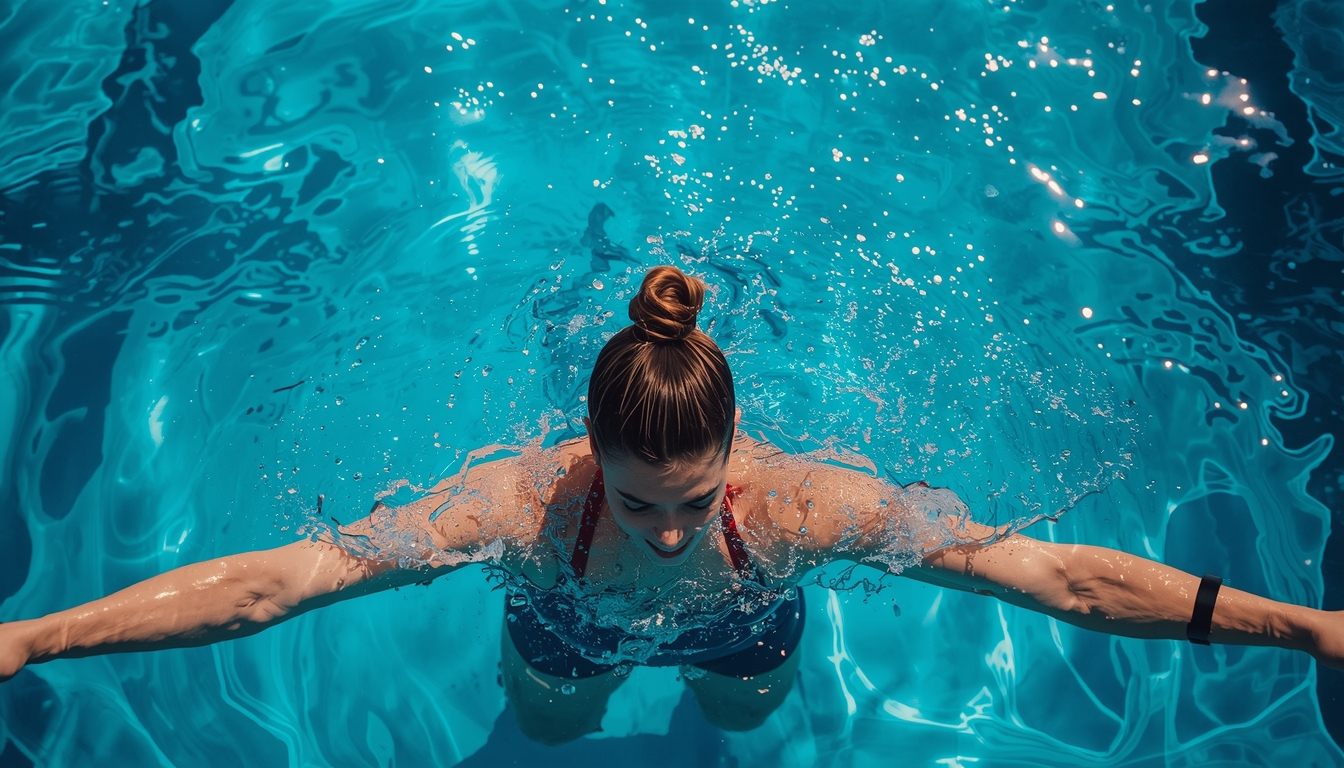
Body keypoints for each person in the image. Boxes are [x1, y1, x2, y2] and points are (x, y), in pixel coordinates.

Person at [0, 265, 1339, 745]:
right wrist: (29, 641)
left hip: (747, 636)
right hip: (561, 630)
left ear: (737, 454)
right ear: (586, 459)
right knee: (550, 724)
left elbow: (1057, 581)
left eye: (694, 503)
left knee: (742, 710)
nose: (669, 533)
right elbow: (274, 585)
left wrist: (1308, 632)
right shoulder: (515, 513)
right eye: (638, 505)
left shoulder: (810, 510)